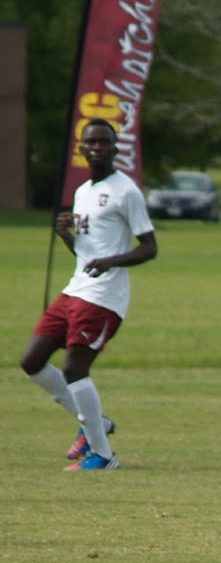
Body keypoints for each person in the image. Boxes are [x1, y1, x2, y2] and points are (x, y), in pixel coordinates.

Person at [22, 118, 158, 471]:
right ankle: (97, 423)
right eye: (91, 142)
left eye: (104, 142)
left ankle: (103, 455)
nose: (97, 148)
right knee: (32, 361)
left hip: (103, 297)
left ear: (115, 149)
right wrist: (66, 236)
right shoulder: (82, 192)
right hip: (74, 289)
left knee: (74, 368)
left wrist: (111, 260)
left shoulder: (125, 191)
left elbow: (149, 248)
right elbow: (86, 253)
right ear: (80, 149)